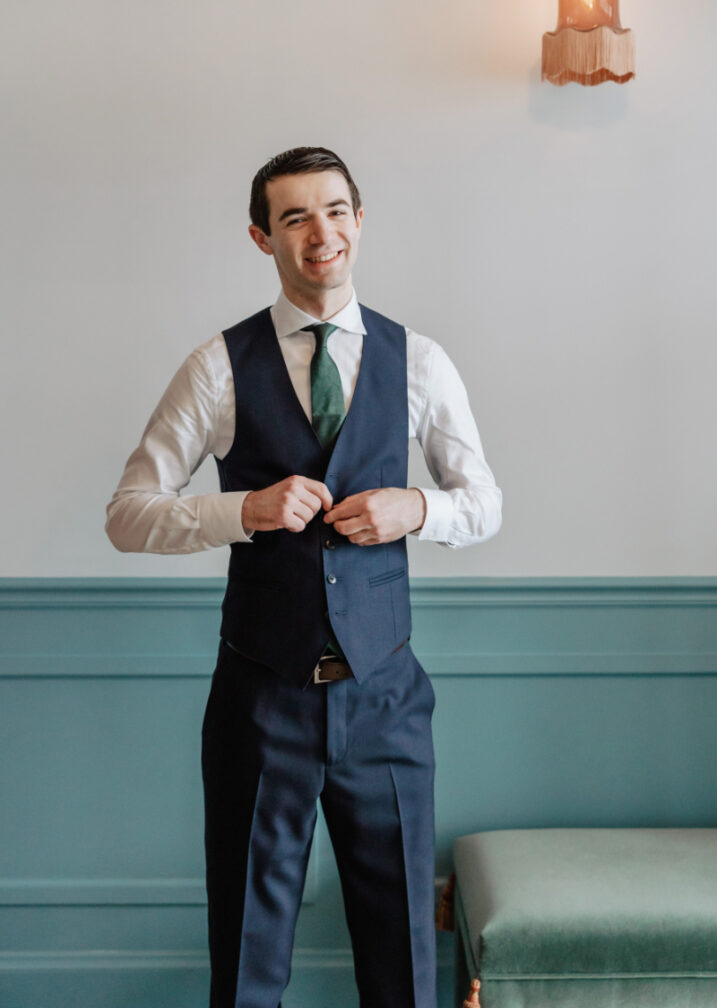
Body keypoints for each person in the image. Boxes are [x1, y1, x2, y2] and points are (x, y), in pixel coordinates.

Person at [105, 146, 502, 1008]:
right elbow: (126, 513)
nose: (318, 233)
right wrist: (240, 510)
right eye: (293, 218)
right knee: (247, 960)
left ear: (359, 221)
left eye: (333, 211)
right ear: (262, 237)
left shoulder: (419, 361)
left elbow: (485, 502)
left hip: (387, 698)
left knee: (402, 959)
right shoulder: (216, 366)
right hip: (259, 703)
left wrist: (417, 510)